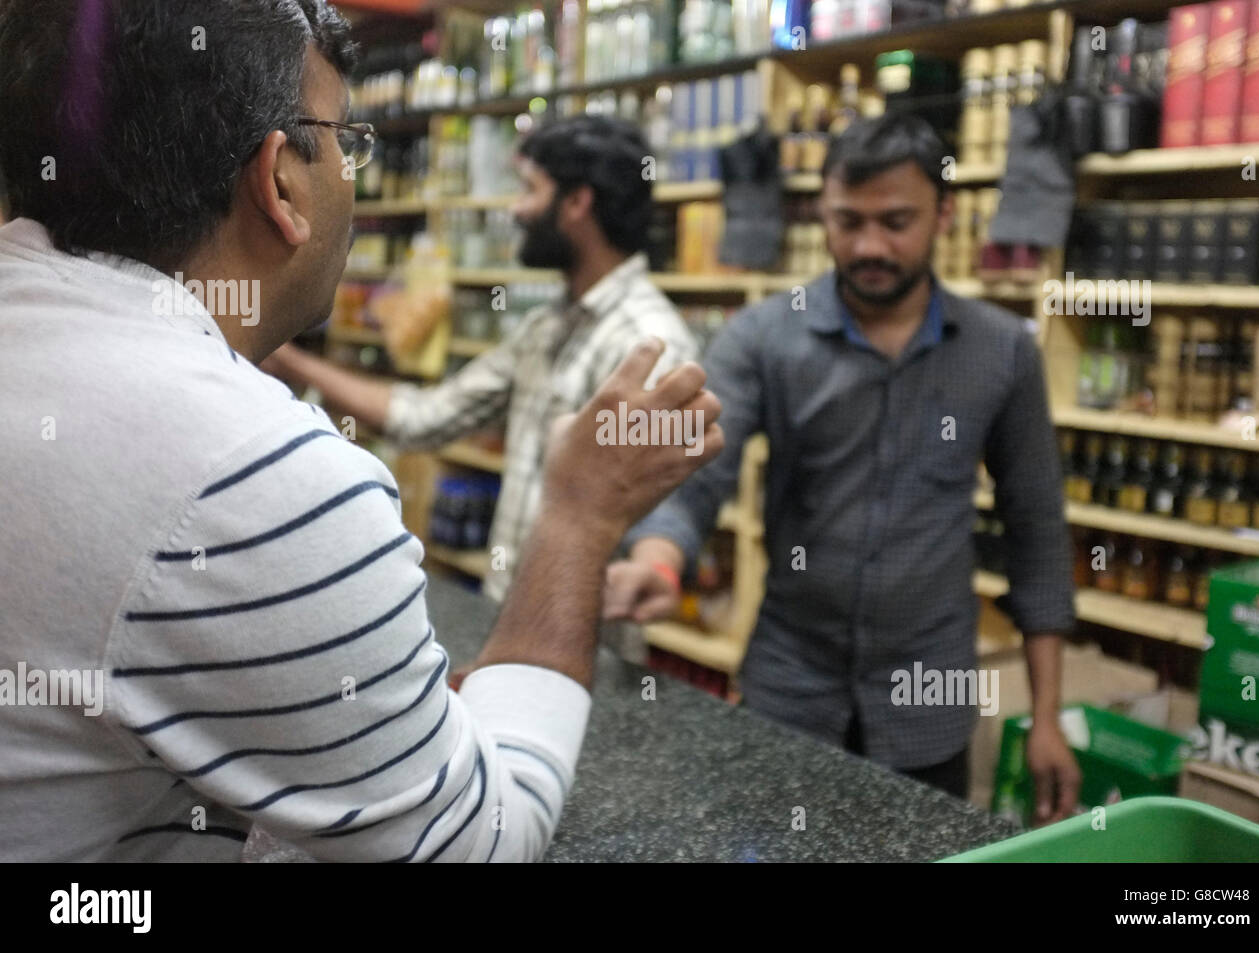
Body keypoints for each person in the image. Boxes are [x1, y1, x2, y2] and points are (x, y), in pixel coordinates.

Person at [0, 0, 721, 861]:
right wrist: (577, 521)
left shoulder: (644, 338)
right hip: (528, 689)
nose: (356, 173)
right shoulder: (254, 472)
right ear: (280, 181)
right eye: (347, 140)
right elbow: (476, 845)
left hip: (576, 670)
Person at [605, 113, 1081, 820]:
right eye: (846, 220)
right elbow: (701, 466)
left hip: (930, 699)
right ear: (821, 212)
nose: (868, 245)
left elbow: (1037, 530)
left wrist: (1047, 717)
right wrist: (659, 558)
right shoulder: (765, 335)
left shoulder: (1001, 350)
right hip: (789, 688)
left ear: (945, 213)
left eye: (896, 221)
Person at [263, 114, 698, 602]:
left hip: (584, 638)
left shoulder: (649, 341)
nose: (517, 210)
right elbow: (426, 418)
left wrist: (655, 566)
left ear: (577, 203)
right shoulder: (548, 329)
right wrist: (288, 361)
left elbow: (664, 494)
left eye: (530, 190)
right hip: (514, 618)